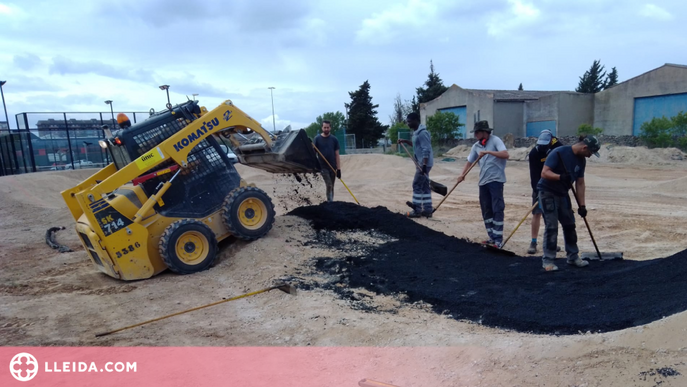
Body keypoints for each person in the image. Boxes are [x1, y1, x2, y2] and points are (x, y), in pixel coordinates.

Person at [537, 135, 601, 271]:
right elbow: (544, 173)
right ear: (584, 147)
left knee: (570, 225)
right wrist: (560, 177)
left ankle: (573, 257)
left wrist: (582, 205)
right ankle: (548, 261)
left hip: (563, 194)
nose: (590, 156)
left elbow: (580, 183)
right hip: (547, 193)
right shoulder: (559, 152)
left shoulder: (582, 161)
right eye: (590, 152)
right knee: (551, 226)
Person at [457, 120, 509, 247]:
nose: (475, 135)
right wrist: (462, 174)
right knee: (486, 209)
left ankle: (498, 239)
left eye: (477, 132)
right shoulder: (476, 146)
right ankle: (491, 236)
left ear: (484, 132)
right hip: (483, 181)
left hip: (496, 180)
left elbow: (505, 154)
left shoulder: (495, 141)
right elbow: (469, 161)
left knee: (497, 208)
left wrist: (488, 152)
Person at [527, 130, 562, 254]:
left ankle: (551, 242)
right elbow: (534, 175)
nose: (542, 147)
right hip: (539, 185)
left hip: (553, 186)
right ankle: (533, 242)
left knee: (551, 214)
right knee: (536, 213)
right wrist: (537, 190)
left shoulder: (557, 147)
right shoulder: (534, 154)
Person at [397, 112, 434, 217]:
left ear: (415, 121)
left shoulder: (423, 133)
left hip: (424, 164)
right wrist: (405, 141)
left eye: (409, 122)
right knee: (425, 186)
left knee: (416, 184)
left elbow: (426, 149)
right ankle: (427, 210)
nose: (408, 124)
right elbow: (416, 144)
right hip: (421, 163)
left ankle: (417, 210)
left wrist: (424, 166)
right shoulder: (416, 132)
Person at [313, 120, 341, 202]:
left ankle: (331, 201)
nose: (326, 129)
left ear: (330, 128)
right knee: (328, 185)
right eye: (324, 127)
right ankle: (330, 203)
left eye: (327, 127)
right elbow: (313, 153)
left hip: (332, 166)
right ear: (322, 128)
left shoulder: (334, 139)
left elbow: (337, 155)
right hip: (323, 167)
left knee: (331, 186)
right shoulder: (317, 139)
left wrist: (338, 169)